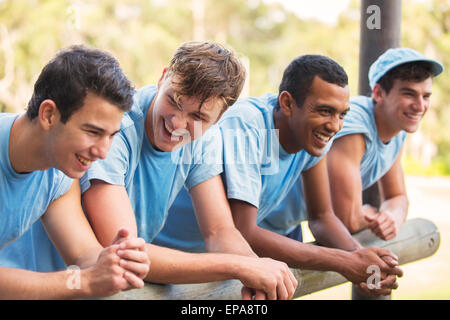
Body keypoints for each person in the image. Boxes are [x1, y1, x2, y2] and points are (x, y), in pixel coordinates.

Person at [156, 54, 403, 296]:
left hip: (211, 256)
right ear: (287, 103)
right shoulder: (249, 125)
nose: (335, 125)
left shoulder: (314, 138)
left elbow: (322, 217)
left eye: (342, 114)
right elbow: (245, 230)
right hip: (164, 252)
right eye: (325, 111)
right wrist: (345, 262)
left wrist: (360, 258)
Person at [80, 41, 297, 300]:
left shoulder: (204, 138)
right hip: (65, 277)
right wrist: (241, 266)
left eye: (198, 117)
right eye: (174, 100)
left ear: (218, 119)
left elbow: (219, 230)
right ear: (162, 79)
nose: (178, 123)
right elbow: (125, 252)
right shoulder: (117, 128)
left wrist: (256, 270)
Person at [0, 45, 150, 299]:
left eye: (111, 136)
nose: (103, 152)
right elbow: (84, 278)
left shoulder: (59, 171)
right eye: (93, 132)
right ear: (48, 115)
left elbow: (82, 253)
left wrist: (114, 262)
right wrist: (82, 281)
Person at [326, 48, 444, 240]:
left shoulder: (396, 129)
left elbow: (397, 196)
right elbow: (347, 219)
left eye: (426, 96)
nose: (420, 106)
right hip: (266, 218)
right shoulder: (354, 126)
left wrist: (391, 217)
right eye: (409, 94)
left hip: (287, 222)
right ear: (379, 93)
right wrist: (371, 214)